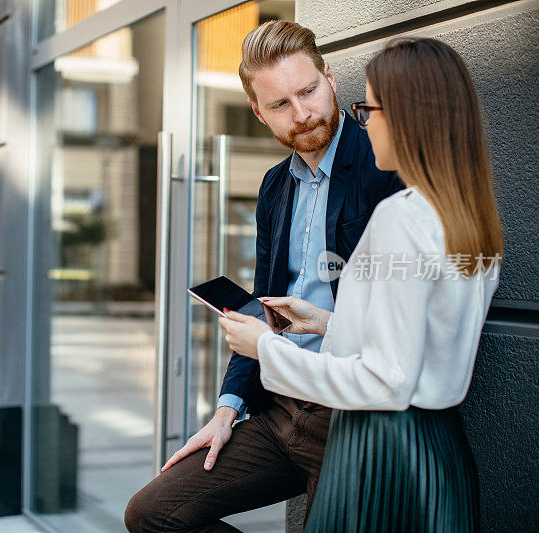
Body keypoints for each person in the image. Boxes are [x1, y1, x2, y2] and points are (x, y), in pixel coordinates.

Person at [125, 20, 403, 532]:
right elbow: (260, 307)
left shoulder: (382, 165)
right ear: (257, 112)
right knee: (154, 515)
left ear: (329, 78)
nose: (302, 113)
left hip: (351, 413)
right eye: (280, 105)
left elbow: (401, 320)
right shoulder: (276, 186)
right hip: (278, 408)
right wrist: (227, 409)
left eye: (308, 91)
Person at [219, 37, 502, 532]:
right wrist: (330, 322)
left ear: (411, 117)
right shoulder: (469, 217)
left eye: (370, 107)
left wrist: (267, 346)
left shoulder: (401, 216)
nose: (364, 121)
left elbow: (385, 380)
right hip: (435, 448)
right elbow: (419, 338)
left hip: (377, 439)